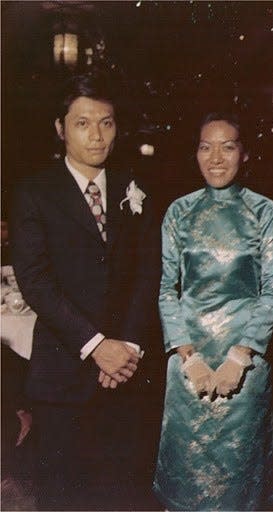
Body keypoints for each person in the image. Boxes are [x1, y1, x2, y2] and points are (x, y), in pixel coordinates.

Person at [11, 72, 160, 511]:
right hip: (62, 377)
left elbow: (149, 272)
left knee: (123, 493)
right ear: (60, 128)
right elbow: (36, 282)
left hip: (128, 376)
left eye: (107, 122)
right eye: (82, 123)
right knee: (62, 497)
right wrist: (96, 346)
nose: (96, 135)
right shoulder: (33, 193)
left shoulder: (138, 186)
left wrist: (127, 348)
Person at [153, 112, 273, 511]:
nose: (215, 157)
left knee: (238, 482)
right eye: (205, 146)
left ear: (244, 153)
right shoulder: (179, 211)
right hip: (188, 363)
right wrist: (187, 356)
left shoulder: (265, 212)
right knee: (187, 481)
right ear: (194, 153)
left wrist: (240, 356)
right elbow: (166, 289)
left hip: (243, 364)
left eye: (227, 146)